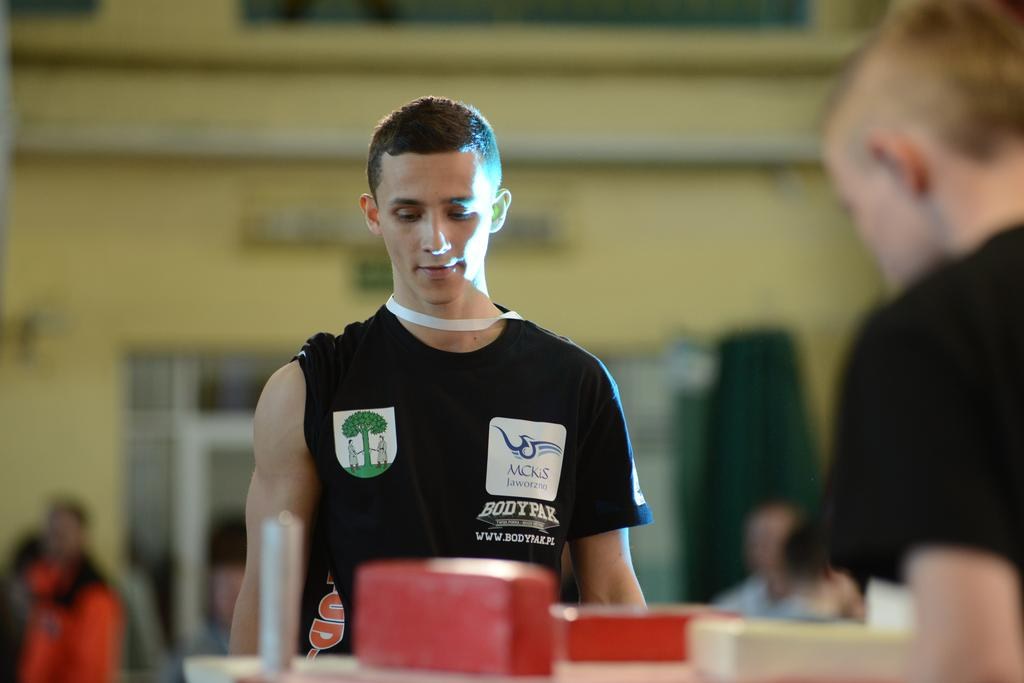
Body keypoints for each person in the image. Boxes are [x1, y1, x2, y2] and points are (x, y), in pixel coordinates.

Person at [230, 96, 653, 655]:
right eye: (408, 214)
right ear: (373, 214)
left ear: (497, 209)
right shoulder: (311, 387)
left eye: (459, 211)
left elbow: (611, 590)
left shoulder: (575, 383)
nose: (436, 239)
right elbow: (265, 599)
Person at [822, 1, 1024, 681]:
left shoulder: (925, 335)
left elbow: (973, 663)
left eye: (854, 209)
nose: (871, 243)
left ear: (898, 162)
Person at [19, 500, 122, 683]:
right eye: (50, 532)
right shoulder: (44, 584)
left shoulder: (94, 594)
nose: (54, 540)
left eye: (63, 533)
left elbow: (91, 670)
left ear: (82, 537)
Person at [161, 519, 246, 683]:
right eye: (221, 575)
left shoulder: (278, 653)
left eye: (240, 571)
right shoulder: (190, 655)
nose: (231, 586)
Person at [713, 500, 801, 615]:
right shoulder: (728, 606)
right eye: (754, 539)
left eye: (770, 538)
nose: (760, 547)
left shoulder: (820, 605)